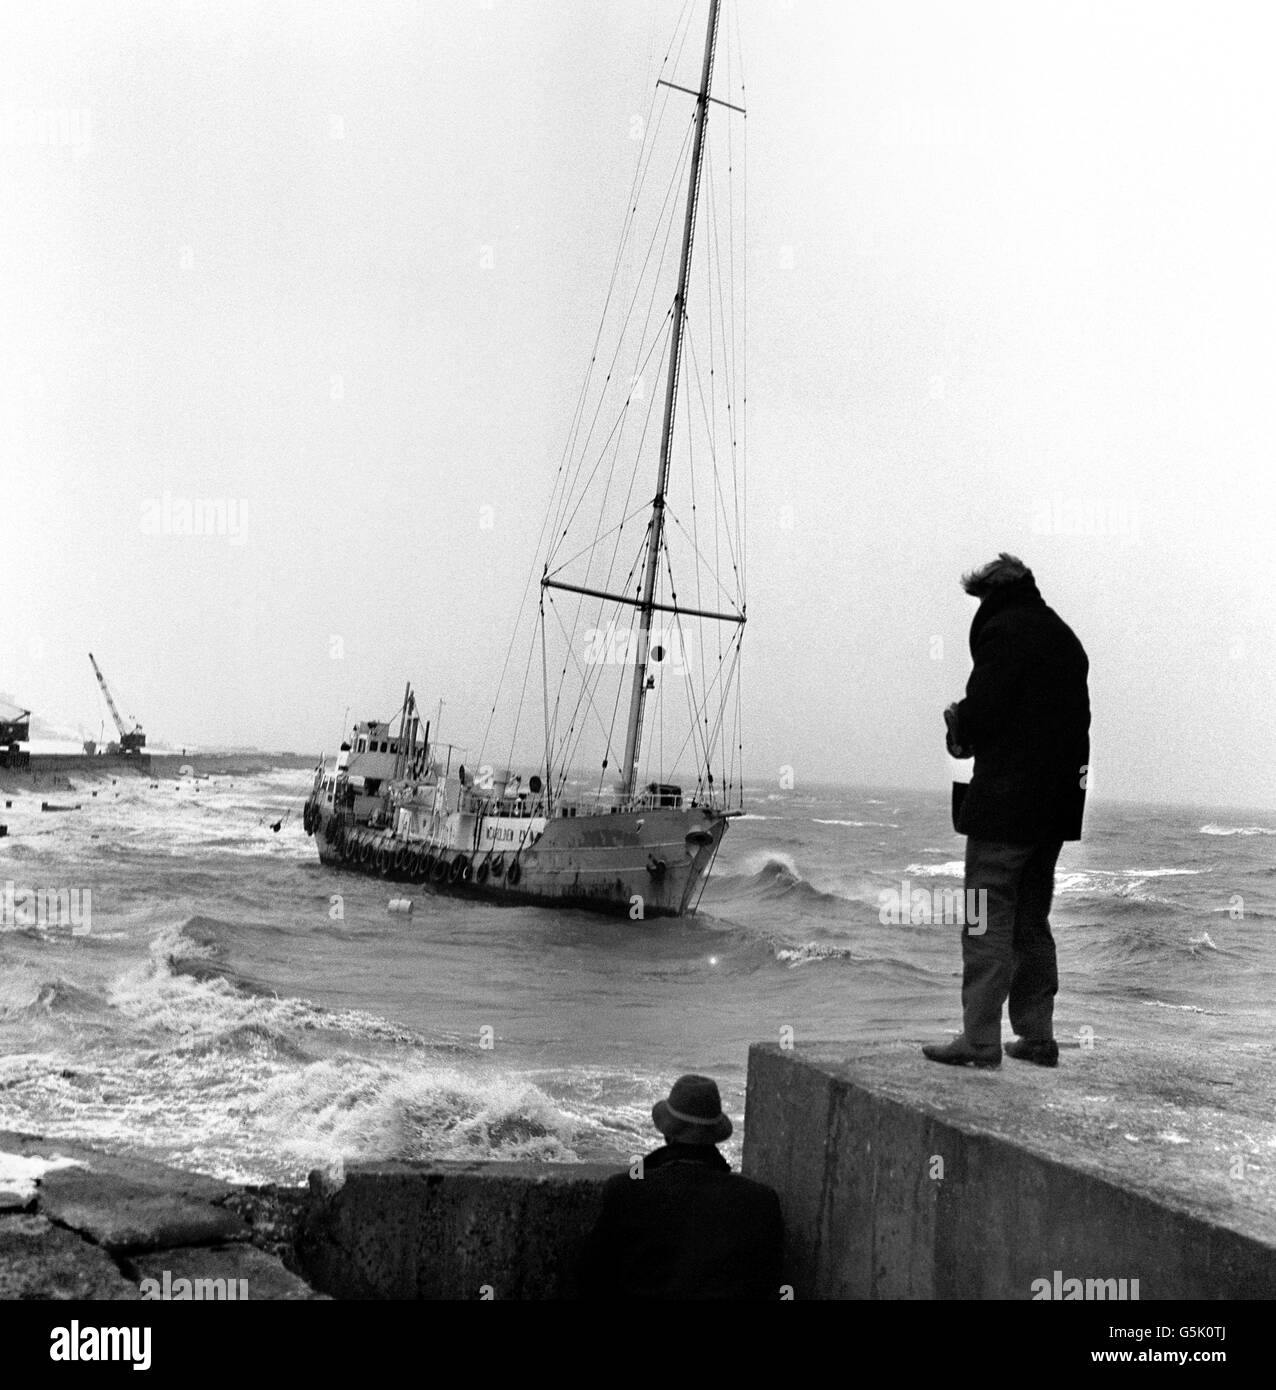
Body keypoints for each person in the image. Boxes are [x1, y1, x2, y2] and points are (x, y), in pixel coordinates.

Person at [924, 554, 1090, 1069]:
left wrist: (958, 722)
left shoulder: (1004, 633)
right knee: (1031, 923)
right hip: (1056, 811)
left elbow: (982, 716)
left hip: (1006, 809)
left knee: (984, 918)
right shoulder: (1065, 640)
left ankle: (978, 1040)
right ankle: (1037, 1037)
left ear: (992, 594)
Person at [578, 1074, 784, 1299]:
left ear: (668, 1133)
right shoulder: (760, 1202)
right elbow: (766, 1282)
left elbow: (591, 1278)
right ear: (714, 1136)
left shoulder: (625, 1192)